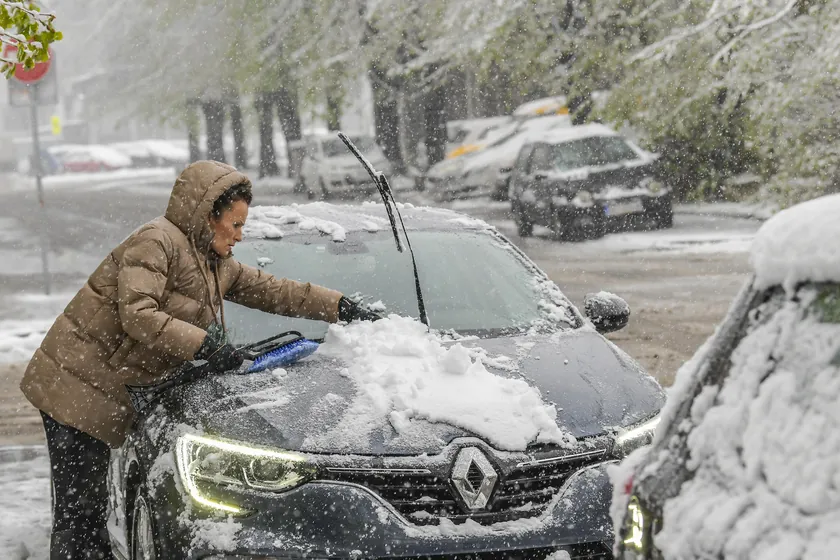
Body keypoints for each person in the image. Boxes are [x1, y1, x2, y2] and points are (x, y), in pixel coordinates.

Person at [20, 160, 379, 559]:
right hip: (74, 384)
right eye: (235, 225)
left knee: (88, 515)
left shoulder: (214, 263)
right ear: (208, 216)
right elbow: (137, 313)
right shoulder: (156, 241)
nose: (240, 235)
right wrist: (205, 345)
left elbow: (275, 290)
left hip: (101, 388)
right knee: (80, 517)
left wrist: (340, 307)